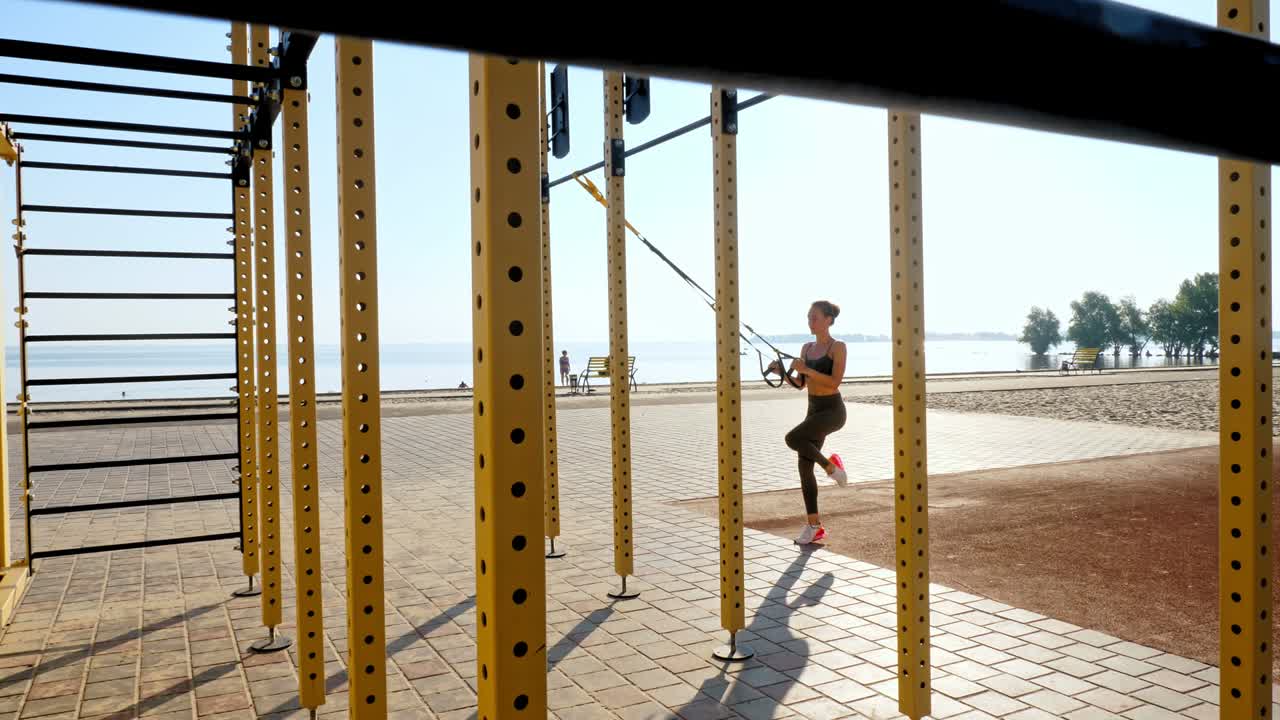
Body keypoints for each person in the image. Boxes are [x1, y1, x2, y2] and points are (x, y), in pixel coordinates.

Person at [771, 300, 849, 545]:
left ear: (828, 320)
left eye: (814, 317)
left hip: (833, 411)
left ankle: (831, 468)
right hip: (813, 409)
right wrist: (782, 373)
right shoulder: (806, 348)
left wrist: (806, 369)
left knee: (792, 438)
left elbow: (834, 382)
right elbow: (801, 384)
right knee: (804, 467)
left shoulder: (838, 347)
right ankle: (814, 526)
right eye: (808, 317)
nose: (810, 321)